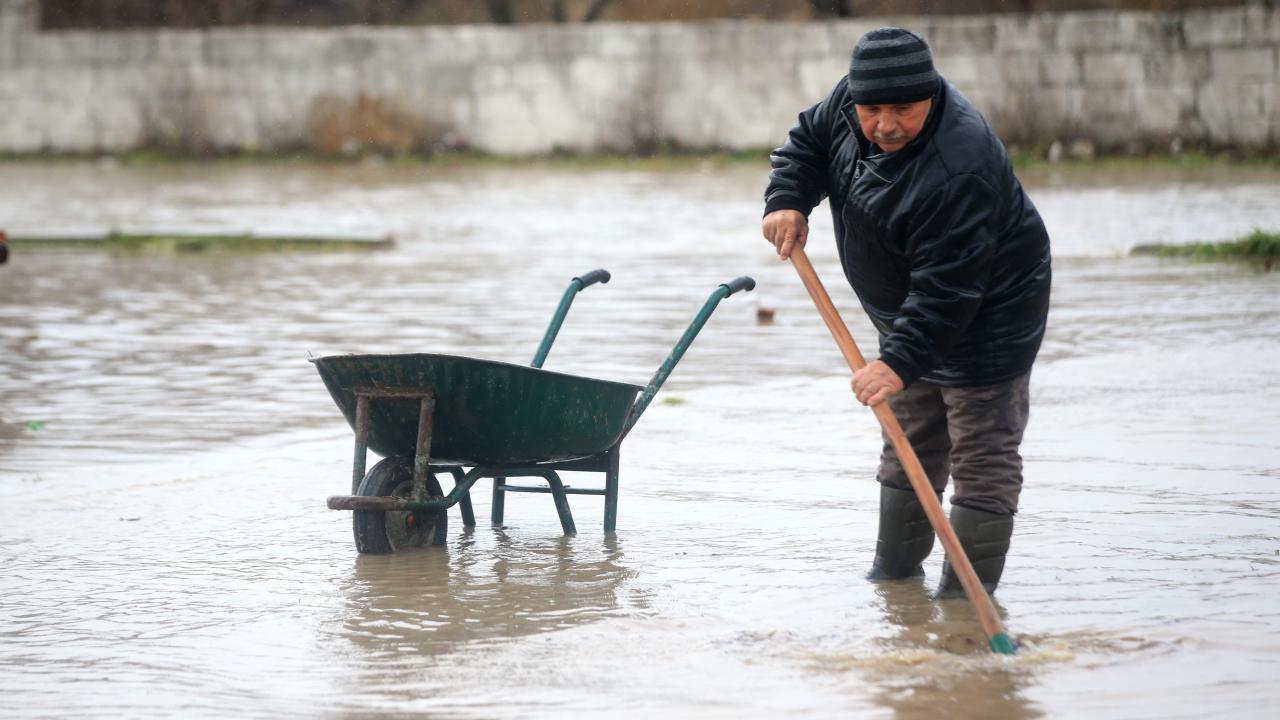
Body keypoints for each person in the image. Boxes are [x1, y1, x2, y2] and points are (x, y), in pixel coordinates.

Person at [761, 27, 1051, 598]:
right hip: (905, 312)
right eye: (872, 110)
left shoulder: (960, 164)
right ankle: (895, 586)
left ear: (931, 96)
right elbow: (807, 145)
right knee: (909, 436)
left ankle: (966, 606)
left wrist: (895, 362)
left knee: (982, 451)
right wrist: (788, 198)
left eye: (903, 110)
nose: (885, 124)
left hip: (990, 313)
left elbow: (950, 291)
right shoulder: (849, 101)